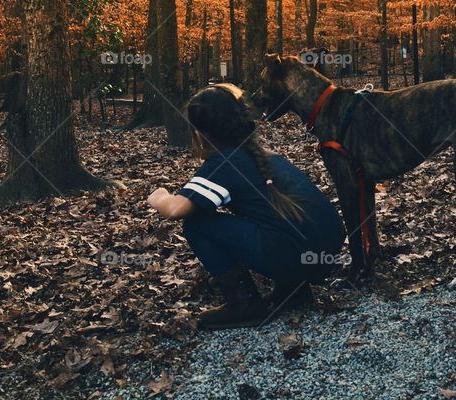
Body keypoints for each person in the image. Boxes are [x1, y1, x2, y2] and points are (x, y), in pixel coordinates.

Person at [147, 84, 346, 330]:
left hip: (296, 257)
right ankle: (293, 290)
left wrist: (159, 196)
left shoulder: (224, 163)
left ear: (199, 133)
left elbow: (176, 210)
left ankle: (245, 305)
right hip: (327, 253)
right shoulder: (266, 156)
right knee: (270, 220)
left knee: (197, 225)